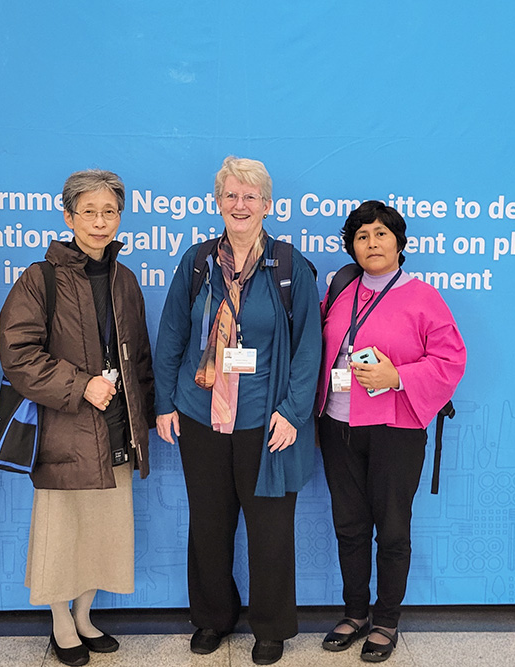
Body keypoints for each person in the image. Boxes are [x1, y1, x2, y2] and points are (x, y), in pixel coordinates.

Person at [153, 156, 321, 666]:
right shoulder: (198, 262)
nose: (240, 205)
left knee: (270, 528)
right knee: (208, 522)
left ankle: (270, 628)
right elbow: (172, 337)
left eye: (251, 197)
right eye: (231, 195)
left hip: (264, 420)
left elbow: (309, 345)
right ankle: (211, 618)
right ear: (218, 202)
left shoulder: (291, 267)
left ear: (268, 205)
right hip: (200, 414)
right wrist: (164, 403)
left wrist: (292, 412)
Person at [0, 169, 155, 667]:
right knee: (60, 533)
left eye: (110, 211)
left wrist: (143, 419)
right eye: (89, 211)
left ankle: (86, 616)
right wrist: (80, 384)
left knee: (104, 532)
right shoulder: (40, 278)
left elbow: (140, 358)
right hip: (64, 426)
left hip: (115, 426)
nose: (100, 221)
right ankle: (61, 622)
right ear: (68, 217)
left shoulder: (126, 279)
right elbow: (18, 353)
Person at [316, 201, 466, 662]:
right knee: (349, 525)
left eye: (381, 234)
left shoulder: (423, 296)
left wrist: (396, 377)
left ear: (399, 243)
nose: (372, 243)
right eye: (362, 237)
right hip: (337, 424)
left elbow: (450, 360)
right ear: (352, 247)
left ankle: (386, 619)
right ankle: (355, 612)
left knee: (393, 527)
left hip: (395, 427)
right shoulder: (340, 292)